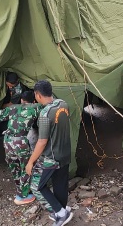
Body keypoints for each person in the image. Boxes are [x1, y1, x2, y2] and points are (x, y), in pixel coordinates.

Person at [26, 80, 73, 226]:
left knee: (36, 186)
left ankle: (60, 213)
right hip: (65, 153)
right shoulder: (63, 104)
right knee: (60, 184)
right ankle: (62, 209)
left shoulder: (45, 114)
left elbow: (42, 142)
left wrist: (30, 161)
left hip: (51, 157)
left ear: (37, 95)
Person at [0, 90, 41, 205]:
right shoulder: (36, 107)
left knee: (14, 167)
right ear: (34, 100)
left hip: (7, 141)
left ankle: (20, 189)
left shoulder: (13, 108)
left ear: (22, 99)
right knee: (27, 167)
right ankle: (23, 195)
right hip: (20, 142)